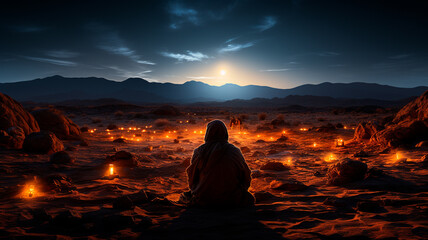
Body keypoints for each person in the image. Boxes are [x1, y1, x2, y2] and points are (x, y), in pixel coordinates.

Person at [180, 120, 254, 207]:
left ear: (208, 133)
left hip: (204, 200)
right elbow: (246, 175)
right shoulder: (234, 151)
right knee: (249, 198)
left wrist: (198, 188)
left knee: (185, 196)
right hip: (232, 200)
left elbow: (192, 176)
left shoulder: (199, 151)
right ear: (225, 133)